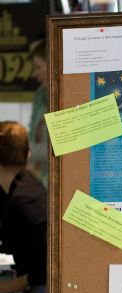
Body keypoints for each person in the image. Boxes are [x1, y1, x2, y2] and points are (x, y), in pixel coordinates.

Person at [0, 122, 47, 293]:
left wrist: (3, 288)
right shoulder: (24, 184)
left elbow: (49, 270)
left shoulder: (25, 203)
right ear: (27, 154)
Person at [28, 39, 48, 187]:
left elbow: (67, 149)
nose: (34, 74)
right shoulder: (41, 94)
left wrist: (19, 150)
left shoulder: (77, 96)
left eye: (38, 67)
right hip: (41, 178)